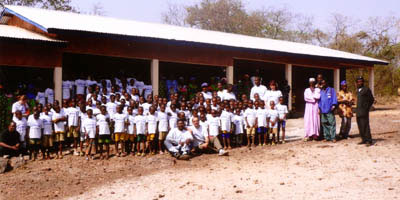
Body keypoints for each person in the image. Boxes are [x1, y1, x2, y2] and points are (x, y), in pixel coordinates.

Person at [355, 77, 374, 146]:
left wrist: (366, 108)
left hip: (364, 111)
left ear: (363, 82)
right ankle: (363, 139)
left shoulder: (366, 89)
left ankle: (369, 140)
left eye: (361, 81)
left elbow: (371, 99)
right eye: (358, 82)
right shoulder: (358, 90)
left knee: (365, 125)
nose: (359, 83)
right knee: (360, 125)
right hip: (358, 111)